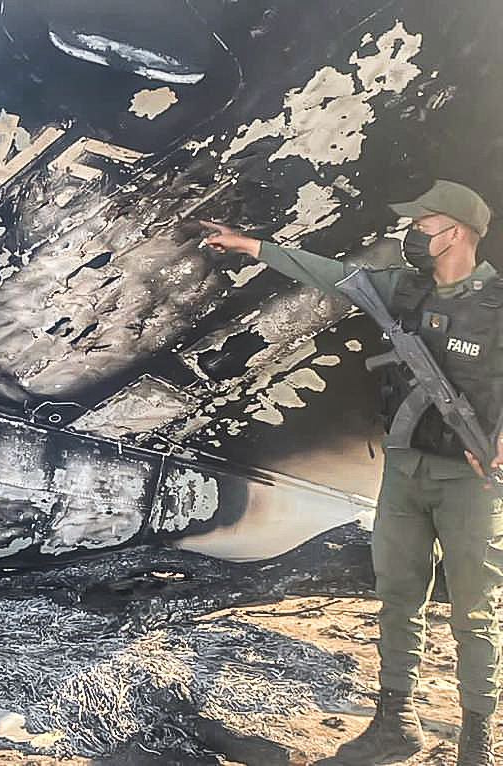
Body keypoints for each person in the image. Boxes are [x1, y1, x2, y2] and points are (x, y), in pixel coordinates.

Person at [202, 180, 502, 766]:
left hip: (470, 481)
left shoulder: (497, 305)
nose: (412, 234)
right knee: (397, 597)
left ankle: (477, 742)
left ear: (456, 232)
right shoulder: (403, 290)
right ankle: (396, 724)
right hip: (404, 471)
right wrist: (251, 246)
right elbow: (332, 275)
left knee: (474, 611)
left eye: (423, 225)